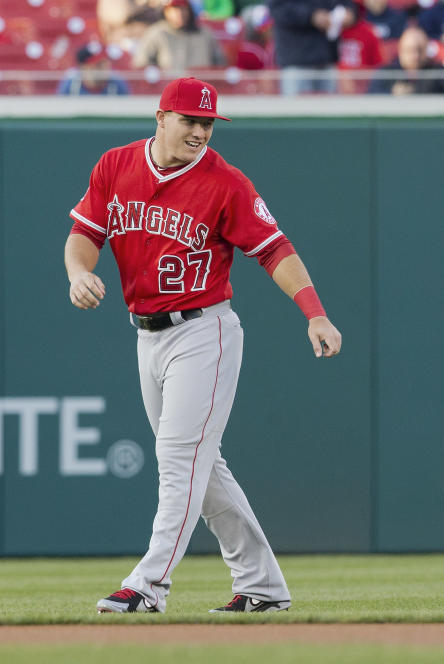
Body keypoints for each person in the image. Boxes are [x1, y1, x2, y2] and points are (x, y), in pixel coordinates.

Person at [65, 77, 342, 614]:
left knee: (178, 457)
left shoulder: (225, 182)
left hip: (203, 329)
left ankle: (148, 585)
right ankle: (262, 587)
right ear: (161, 117)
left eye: (207, 123)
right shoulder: (115, 165)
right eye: (189, 120)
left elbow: (273, 249)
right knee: (202, 467)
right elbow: (85, 233)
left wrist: (316, 314)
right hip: (146, 334)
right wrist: (77, 272)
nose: (199, 131)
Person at [268, 0, 357, 95]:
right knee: (296, 108)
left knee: (330, 108)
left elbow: (347, 5)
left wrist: (350, 12)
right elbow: (278, 8)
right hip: (296, 63)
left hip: (327, 60)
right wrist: (310, 16)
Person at [368, 25, 444, 95]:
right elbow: (371, 97)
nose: (415, 56)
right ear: (400, 49)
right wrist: (392, 93)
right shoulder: (386, 73)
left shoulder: (436, 70)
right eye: (410, 50)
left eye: (420, 50)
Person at [133, 0, 228, 71]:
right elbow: (142, 64)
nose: (179, 13)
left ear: (190, 10)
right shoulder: (157, 33)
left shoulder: (205, 33)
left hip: (201, 89)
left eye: (183, 9)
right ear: (165, 12)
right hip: (169, 90)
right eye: (174, 9)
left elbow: (220, 65)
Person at [58, 43, 131, 95]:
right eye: (99, 65)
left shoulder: (117, 84)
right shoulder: (71, 85)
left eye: (107, 63)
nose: (105, 68)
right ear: (83, 67)